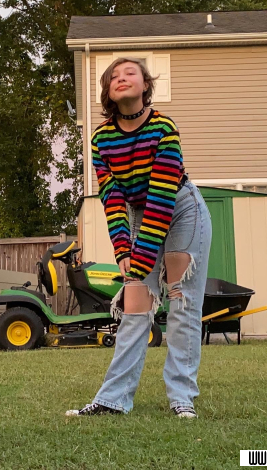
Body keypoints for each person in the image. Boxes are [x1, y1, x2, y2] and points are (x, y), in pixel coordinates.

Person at [66, 57, 212, 418]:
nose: (121, 78)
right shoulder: (101, 138)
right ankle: (112, 400)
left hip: (180, 210)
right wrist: (122, 250)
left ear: (145, 84)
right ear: (108, 91)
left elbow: (162, 195)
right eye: (113, 76)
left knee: (181, 303)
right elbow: (112, 196)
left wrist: (142, 257)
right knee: (135, 307)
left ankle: (182, 398)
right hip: (137, 214)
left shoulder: (163, 127)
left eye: (130, 72)